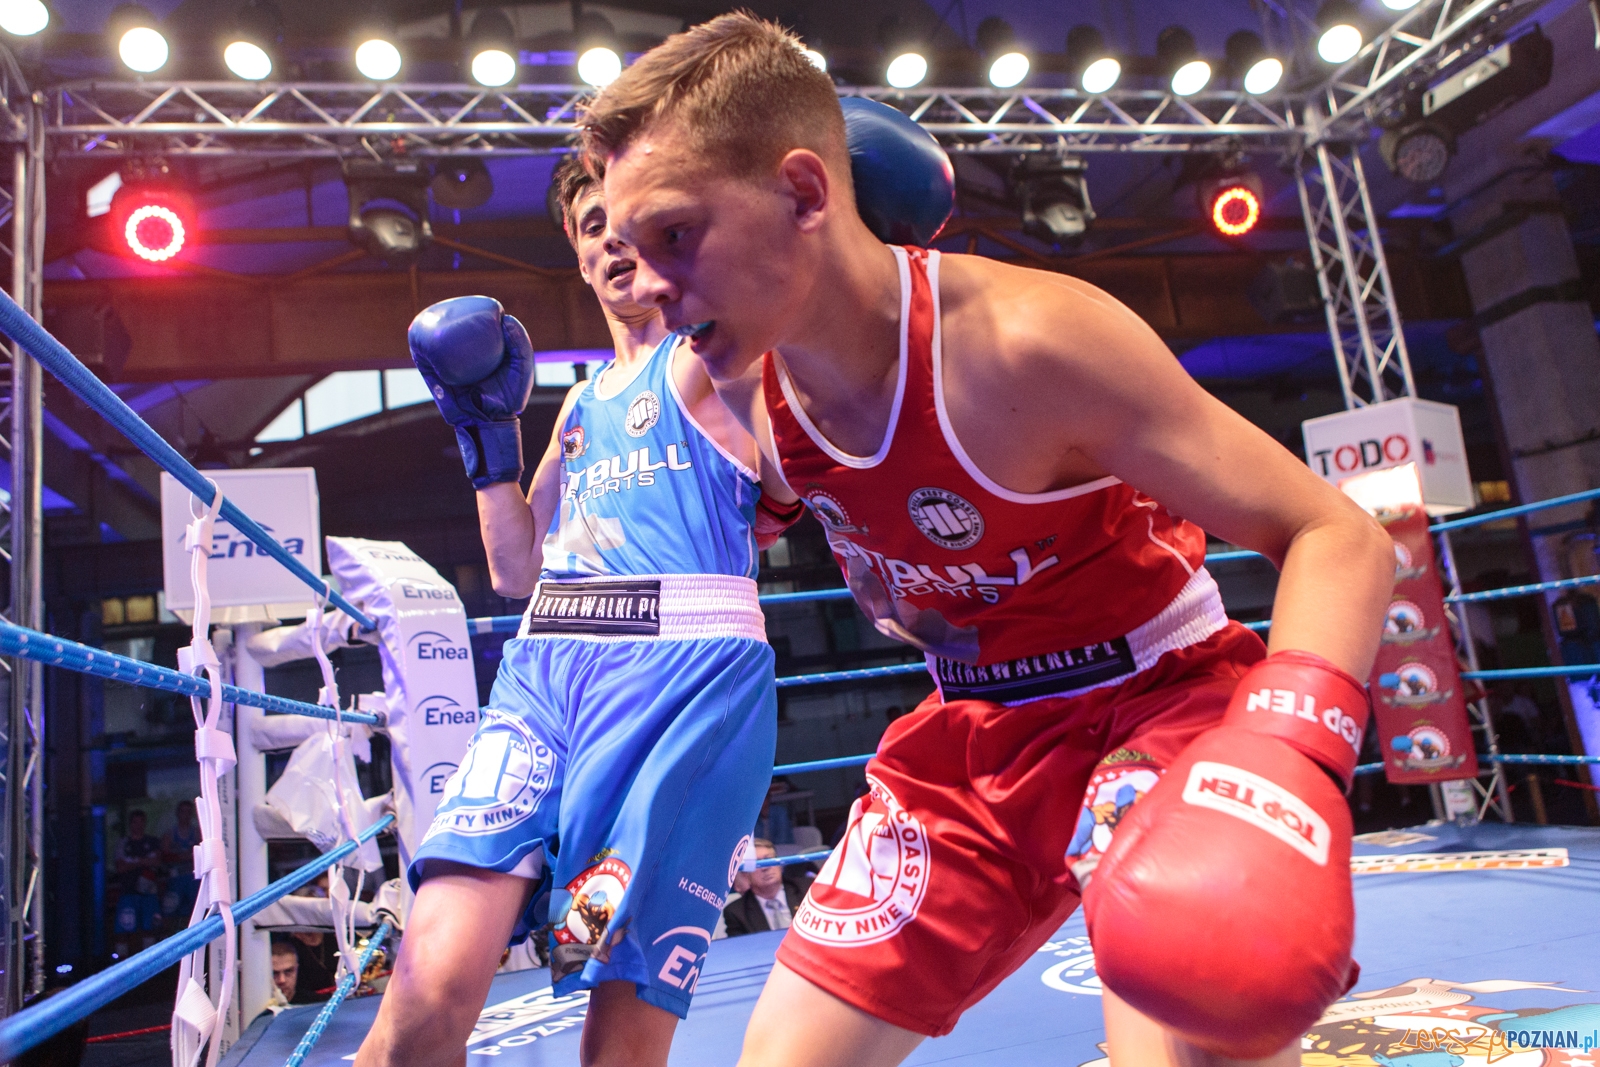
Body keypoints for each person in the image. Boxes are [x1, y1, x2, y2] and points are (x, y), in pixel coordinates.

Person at [585, 15, 1394, 1067]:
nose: (646, 285)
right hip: (971, 737)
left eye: (675, 236)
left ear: (804, 193)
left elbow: (1336, 531)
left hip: (1155, 702)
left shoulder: (1029, 343)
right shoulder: (735, 394)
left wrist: (1288, 752)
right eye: (629, 250)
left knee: (1192, 1028)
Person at [355, 157, 799, 1067]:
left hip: (680, 690)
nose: (615, 240)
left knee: (614, 1030)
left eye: (635, 220)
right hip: (545, 677)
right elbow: (515, 567)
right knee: (422, 1003)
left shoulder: (717, 360)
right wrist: (486, 437)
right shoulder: (579, 404)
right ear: (578, 250)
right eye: (595, 224)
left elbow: (795, 467)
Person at [722, 839, 808, 936]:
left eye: (768, 859)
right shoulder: (736, 913)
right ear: (746, 874)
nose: (765, 867)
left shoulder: (807, 890)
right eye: (757, 863)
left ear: (780, 865)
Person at [113, 810, 164, 955]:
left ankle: (150, 964)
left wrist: (132, 862)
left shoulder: (153, 842)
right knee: (123, 931)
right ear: (130, 824)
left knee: (150, 929)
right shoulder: (123, 843)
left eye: (141, 822)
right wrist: (143, 861)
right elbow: (120, 867)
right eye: (135, 822)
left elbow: (157, 861)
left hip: (149, 894)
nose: (138, 825)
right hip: (128, 893)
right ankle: (122, 964)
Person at [162, 799, 201, 927]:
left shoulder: (197, 833)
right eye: (183, 812)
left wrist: (183, 856)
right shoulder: (170, 834)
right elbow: (164, 857)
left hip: (193, 878)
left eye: (188, 812)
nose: (186, 815)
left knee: (195, 910)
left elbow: (202, 854)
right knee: (170, 911)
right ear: (178, 814)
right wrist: (183, 856)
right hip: (176, 879)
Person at [267, 939, 299, 1013]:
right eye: (274, 973)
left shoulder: (317, 1005)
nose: (282, 980)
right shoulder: (252, 1008)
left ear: (297, 969)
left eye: (288, 971)